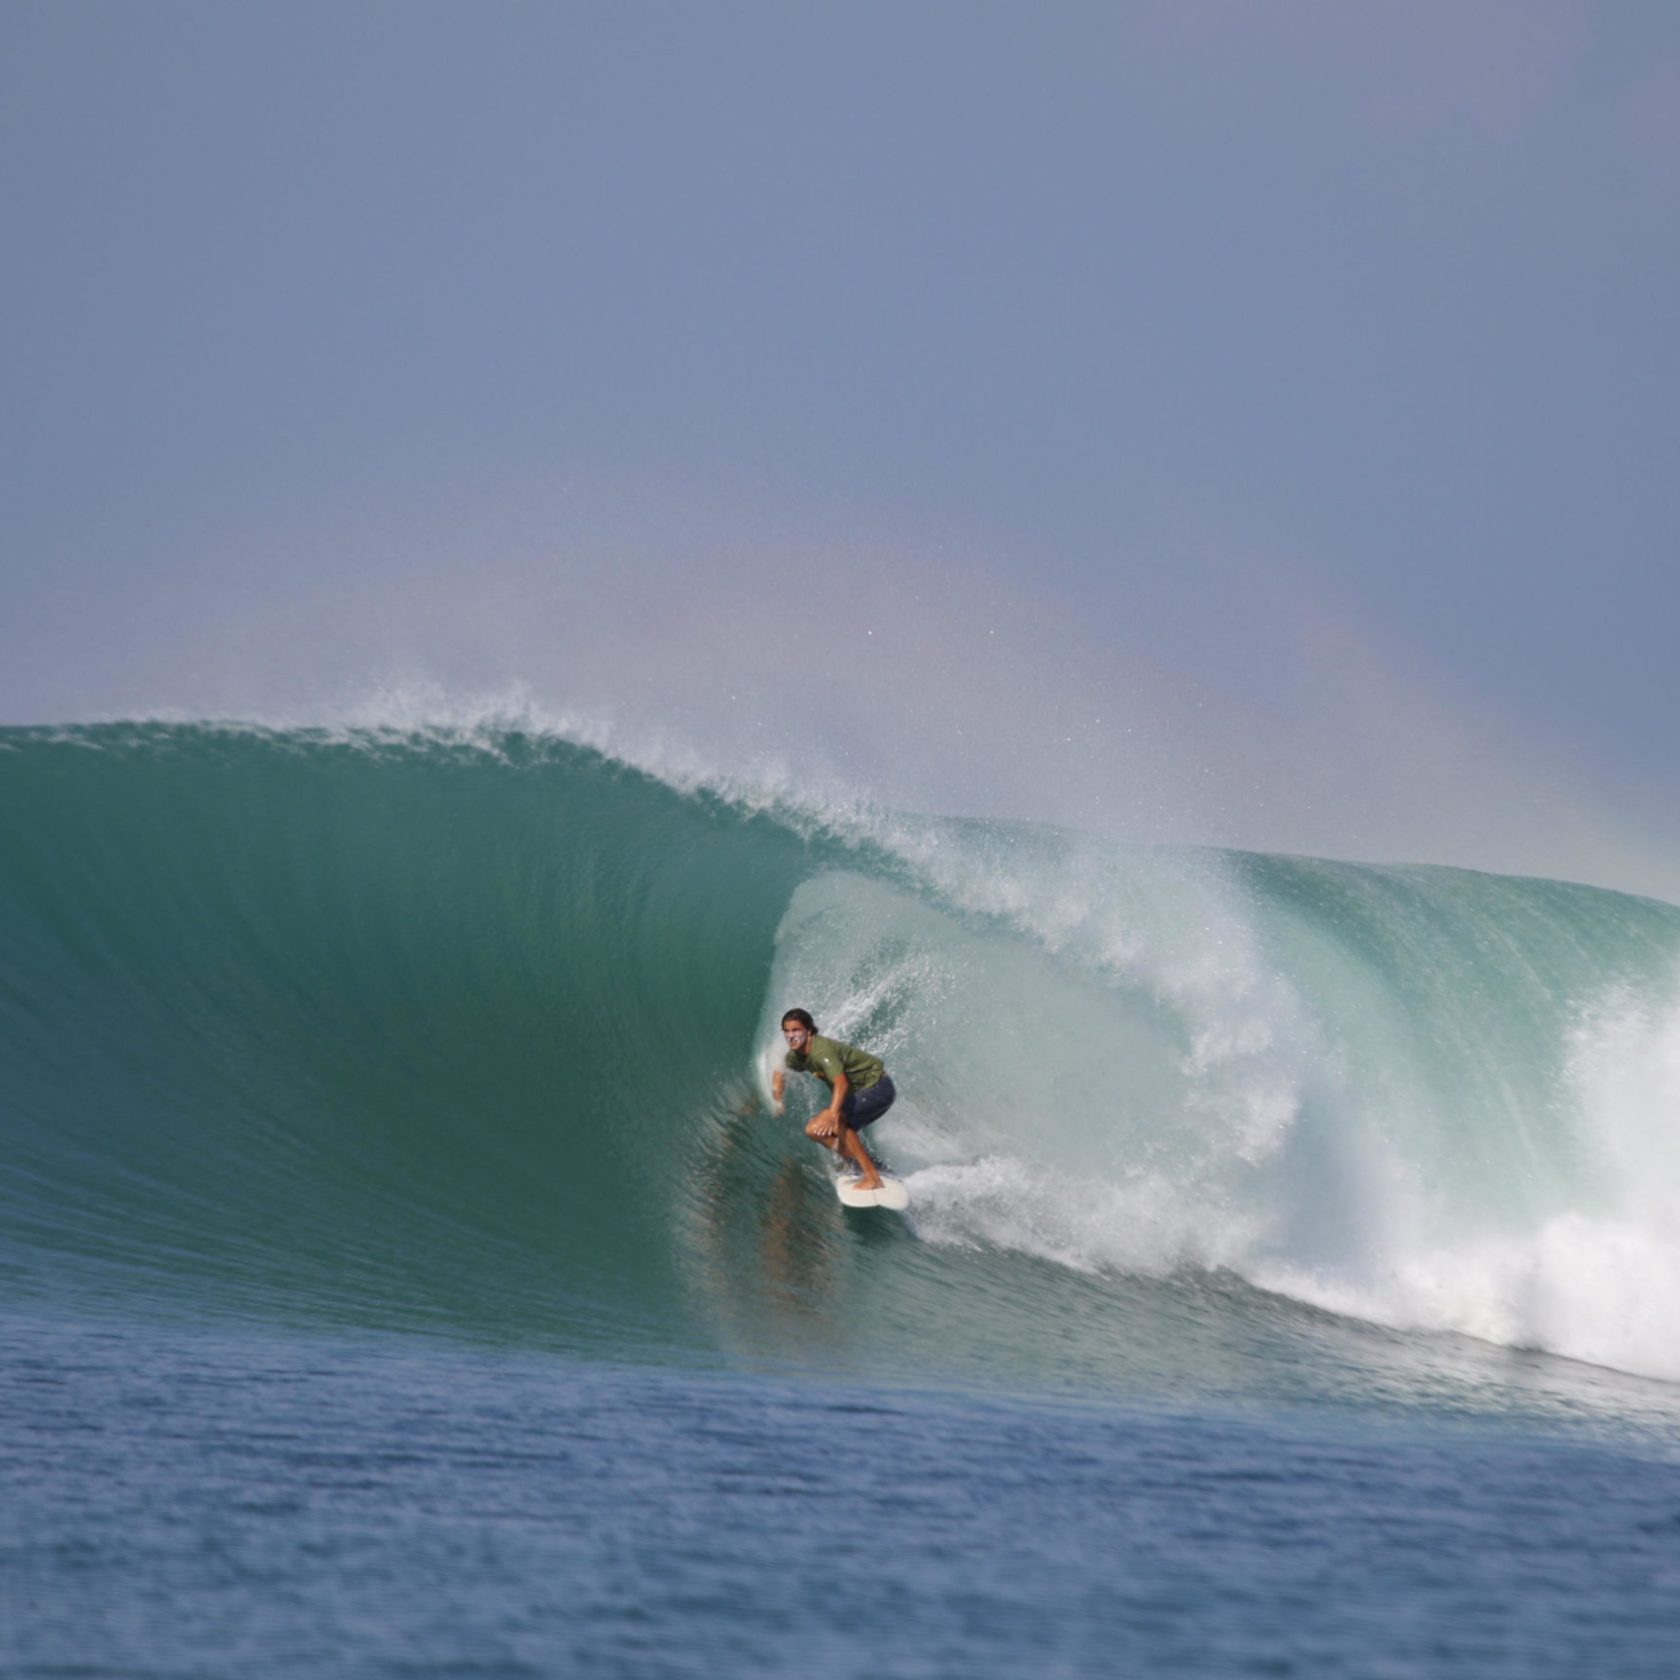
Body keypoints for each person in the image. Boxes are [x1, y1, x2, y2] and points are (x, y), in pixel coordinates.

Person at [771, 1008, 896, 1192]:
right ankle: (867, 1164)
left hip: (878, 1087)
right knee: (814, 1131)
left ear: (809, 1031)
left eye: (796, 1030)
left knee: (839, 1121)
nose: (791, 1036)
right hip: (861, 1093)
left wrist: (832, 1113)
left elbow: (841, 1083)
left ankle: (872, 1177)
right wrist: (777, 1099)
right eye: (787, 1031)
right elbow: (779, 1069)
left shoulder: (821, 1051)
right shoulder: (797, 1055)